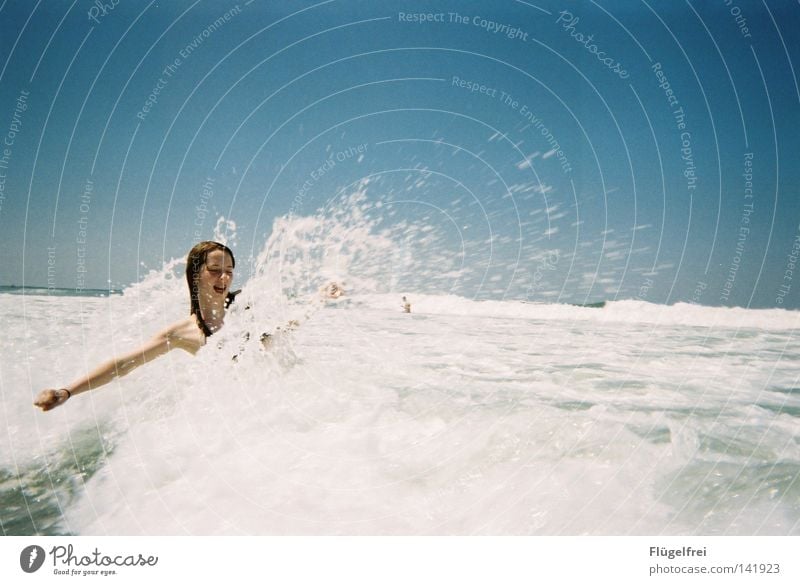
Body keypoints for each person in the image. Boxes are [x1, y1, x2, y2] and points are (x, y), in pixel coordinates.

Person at [33, 241, 237, 412]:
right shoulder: (182, 332)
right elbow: (122, 365)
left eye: (229, 271)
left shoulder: (249, 304)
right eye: (214, 270)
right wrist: (66, 392)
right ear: (195, 275)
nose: (225, 277)